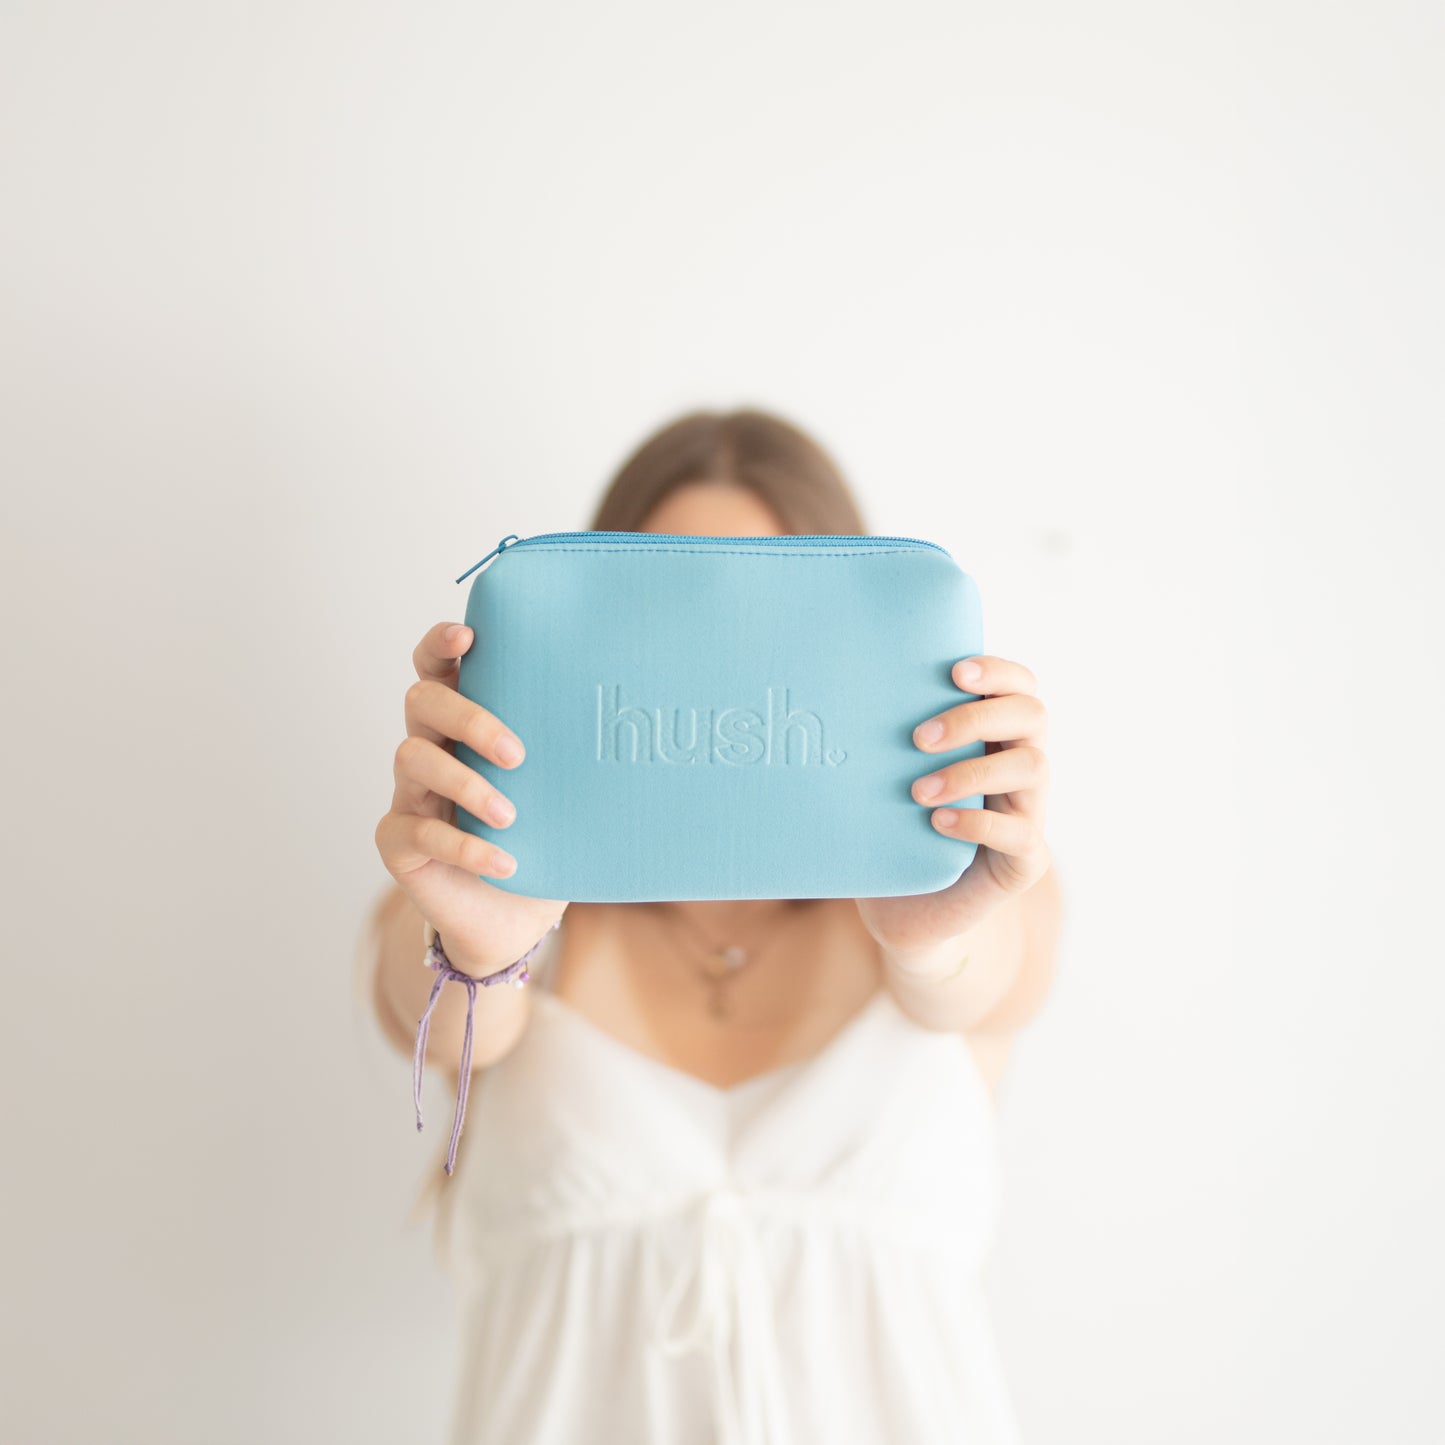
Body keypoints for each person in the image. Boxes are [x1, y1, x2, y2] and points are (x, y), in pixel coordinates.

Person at [363, 406, 1062, 1444]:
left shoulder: (972, 874)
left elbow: (976, 983)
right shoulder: (489, 873)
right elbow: (437, 1024)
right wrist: (484, 944)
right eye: (670, 604)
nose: (717, 667)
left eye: (762, 611)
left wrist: (928, 933)